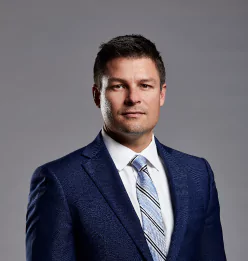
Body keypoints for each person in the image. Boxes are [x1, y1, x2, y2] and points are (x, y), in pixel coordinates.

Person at [26, 34, 226, 261]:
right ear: (97, 96)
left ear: (161, 94)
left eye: (145, 85)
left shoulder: (197, 174)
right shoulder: (60, 181)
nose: (133, 98)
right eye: (119, 86)